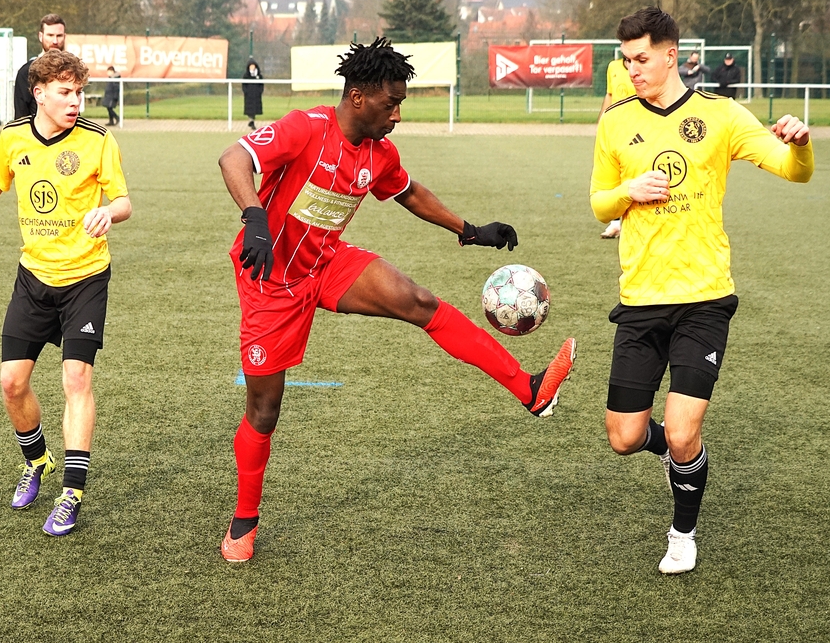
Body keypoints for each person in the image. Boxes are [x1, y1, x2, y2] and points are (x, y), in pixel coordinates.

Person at [217, 38, 577, 562]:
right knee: (265, 409)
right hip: (271, 279)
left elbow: (408, 192)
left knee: (419, 301)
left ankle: (531, 389)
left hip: (326, 263)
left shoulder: (378, 153)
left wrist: (469, 229)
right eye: (391, 104)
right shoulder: (306, 128)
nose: (398, 116)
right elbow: (234, 158)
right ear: (358, 97)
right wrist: (254, 217)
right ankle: (244, 523)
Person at [590, 7, 814, 575]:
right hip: (640, 299)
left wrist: (800, 143)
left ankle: (682, 534)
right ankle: (675, 451)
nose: (632, 69)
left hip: (704, 299)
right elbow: (598, 202)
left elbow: (794, 170)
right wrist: (628, 192)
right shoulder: (616, 121)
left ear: (671, 55)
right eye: (626, 60)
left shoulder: (721, 114)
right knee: (624, 437)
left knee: (685, 430)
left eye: (642, 59)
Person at [0, 49, 132, 537]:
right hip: (34, 277)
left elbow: (123, 200)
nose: (75, 101)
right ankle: (37, 460)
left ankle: (71, 493)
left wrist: (108, 212)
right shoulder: (13, 137)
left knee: (76, 379)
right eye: (65, 92)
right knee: (11, 382)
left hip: (86, 277)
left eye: (79, 92)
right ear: (39, 93)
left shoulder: (97, 139)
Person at [596, 58, 637, 239]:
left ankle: (633, 222)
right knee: (615, 175)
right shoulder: (613, 66)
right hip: (617, 128)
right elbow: (609, 95)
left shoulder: (642, 68)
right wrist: (602, 121)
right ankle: (615, 224)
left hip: (638, 128)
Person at [14, 13, 67, 119]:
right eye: (50, 35)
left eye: (59, 36)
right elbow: (21, 115)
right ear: (40, 36)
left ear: (64, 37)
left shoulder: (70, 70)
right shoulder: (26, 72)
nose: (55, 41)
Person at [241, 59, 263, 129]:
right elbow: (244, 85)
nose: (252, 67)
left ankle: (252, 121)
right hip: (249, 96)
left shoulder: (259, 75)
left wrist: (259, 91)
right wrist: (246, 92)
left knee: (255, 109)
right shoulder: (246, 75)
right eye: (251, 66)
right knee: (249, 109)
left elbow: (261, 85)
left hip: (256, 95)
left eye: (253, 66)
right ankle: (251, 121)